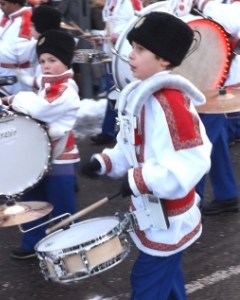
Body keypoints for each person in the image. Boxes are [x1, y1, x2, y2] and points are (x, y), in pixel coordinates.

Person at [81, 12, 212, 299]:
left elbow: (192, 160)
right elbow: (133, 144)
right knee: (168, 277)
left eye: (140, 50)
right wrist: (107, 162)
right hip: (152, 208)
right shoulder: (145, 94)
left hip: (169, 214)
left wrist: (140, 179)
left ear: (164, 59)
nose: (131, 55)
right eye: (132, 47)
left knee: (147, 283)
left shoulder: (172, 103)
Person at [5, 29, 80, 259]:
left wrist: (14, 99)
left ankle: (69, 243)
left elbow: (41, 109)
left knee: (61, 204)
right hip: (41, 154)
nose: (46, 66)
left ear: (65, 62)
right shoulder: (48, 85)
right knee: (33, 199)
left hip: (60, 158)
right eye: (42, 61)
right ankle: (32, 241)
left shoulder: (66, 90)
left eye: (52, 60)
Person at [181, 0, 240, 215]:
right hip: (211, 81)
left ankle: (191, 204)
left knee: (198, 144)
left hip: (223, 82)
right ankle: (227, 194)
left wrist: (202, 3)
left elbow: (234, 21)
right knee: (213, 140)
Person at [90, 0, 142, 144]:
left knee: (121, 96)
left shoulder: (131, 2)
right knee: (113, 95)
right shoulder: (111, 3)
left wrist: (120, 37)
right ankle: (111, 131)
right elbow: (112, 30)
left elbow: (139, 25)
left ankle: (124, 131)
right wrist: (101, 37)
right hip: (112, 56)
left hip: (124, 57)